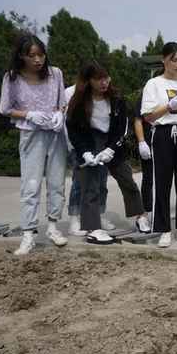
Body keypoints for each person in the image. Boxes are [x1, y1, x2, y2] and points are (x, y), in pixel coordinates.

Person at [0, 35, 68, 255]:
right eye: (32, 56)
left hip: (55, 134)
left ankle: (53, 227)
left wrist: (59, 115)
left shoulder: (55, 74)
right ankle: (28, 234)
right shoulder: (12, 78)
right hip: (31, 134)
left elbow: (62, 104)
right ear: (22, 56)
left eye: (41, 54)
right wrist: (29, 114)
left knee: (57, 183)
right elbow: (5, 108)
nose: (38, 60)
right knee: (31, 185)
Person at [66, 61, 151, 243]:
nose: (104, 82)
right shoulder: (79, 101)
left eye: (106, 77)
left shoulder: (117, 99)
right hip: (91, 142)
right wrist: (85, 153)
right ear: (89, 81)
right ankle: (93, 228)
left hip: (113, 141)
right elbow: (73, 130)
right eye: (98, 79)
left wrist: (112, 148)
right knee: (92, 185)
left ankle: (140, 216)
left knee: (126, 178)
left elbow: (122, 128)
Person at [141, 42, 177, 247]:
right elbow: (148, 117)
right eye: (174, 59)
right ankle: (163, 229)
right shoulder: (154, 84)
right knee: (162, 181)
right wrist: (168, 106)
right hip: (163, 133)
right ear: (164, 60)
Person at [66, 84, 114, 236]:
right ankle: (74, 219)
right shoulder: (71, 92)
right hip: (80, 145)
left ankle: (99, 215)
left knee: (101, 182)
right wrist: (77, 148)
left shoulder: (105, 92)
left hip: (101, 142)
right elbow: (69, 123)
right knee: (79, 183)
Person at [133, 89, 153, 220]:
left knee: (164, 180)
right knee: (148, 178)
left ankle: (159, 209)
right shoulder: (146, 94)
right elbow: (138, 120)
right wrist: (141, 142)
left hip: (166, 142)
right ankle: (146, 211)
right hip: (148, 142)